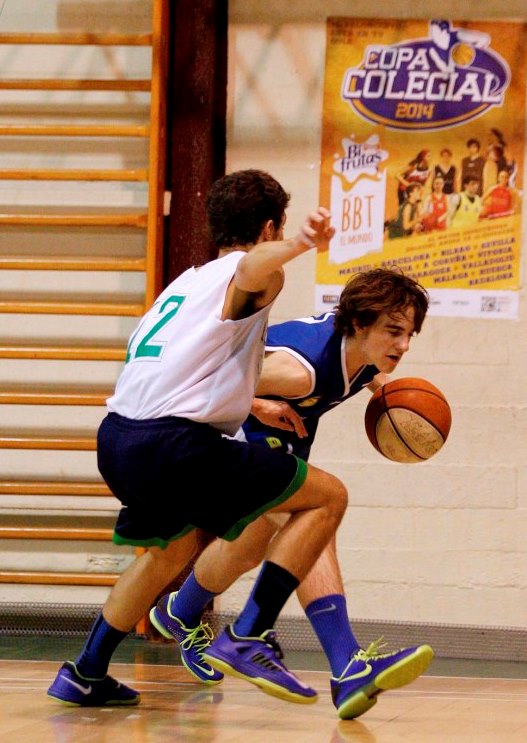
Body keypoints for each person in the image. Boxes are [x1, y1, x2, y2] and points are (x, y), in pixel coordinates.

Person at [47, 168, 349, 708]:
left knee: (169, 553)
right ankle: (249, 635)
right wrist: (301, 244)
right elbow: (253, 267)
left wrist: (251, 402)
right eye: (279, 229)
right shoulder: (249, 272)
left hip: (118, 439)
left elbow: (179, 368)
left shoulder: (185, 283)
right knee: (326, 497)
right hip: (174, 445)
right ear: (268, 227)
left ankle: (86, 671)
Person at [149, 266, 435, 721]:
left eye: (409, 334)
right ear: (359, 324)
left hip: (274, 437)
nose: (403, 345)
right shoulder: (298, 372)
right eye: (394, 331)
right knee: (313, 516)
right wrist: (256, 402)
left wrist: (393, 398)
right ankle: (348, 664)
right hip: (219, 436)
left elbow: (363, 375)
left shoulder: (364, 355)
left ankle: (180, 611)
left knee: (252, 544)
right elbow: (193, 379)